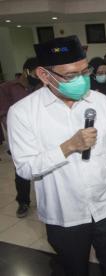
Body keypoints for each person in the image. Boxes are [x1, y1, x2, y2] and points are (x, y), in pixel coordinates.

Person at [7, 35, 106, 276]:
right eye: (72, 76)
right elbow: (24, 167)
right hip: (64, 214)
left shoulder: (100, 101)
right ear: (44, 75)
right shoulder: (23, 113)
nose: (82, 81)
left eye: (85, 72)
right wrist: (67, 147)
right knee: (73, 270)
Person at [0, 57, 41, 218]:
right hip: (19, 136)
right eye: (37, 74)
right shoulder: (7, 88)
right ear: (27, 72)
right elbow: (3, 113)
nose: (39, 78)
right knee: (21, 170)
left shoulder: (39, 86)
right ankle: (23, 201)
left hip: (39, 134)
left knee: (43, 166)